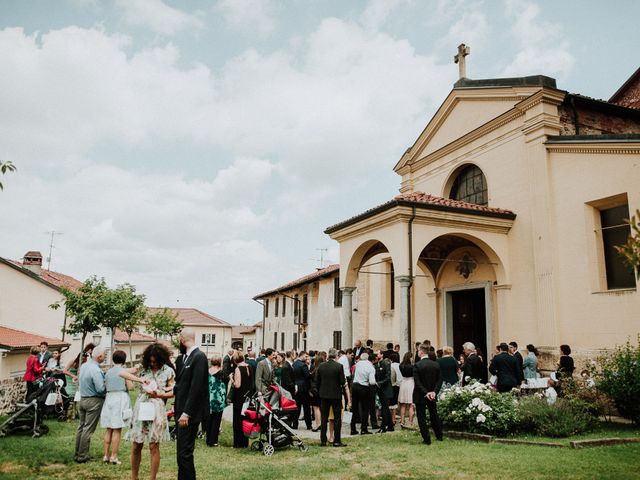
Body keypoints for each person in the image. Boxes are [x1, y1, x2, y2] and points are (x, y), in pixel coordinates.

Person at [127, 343, 174, 480]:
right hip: (141, 407)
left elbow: (173, 391)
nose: (153, 364)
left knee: (154, 445)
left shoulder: (168, 371)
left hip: (157, 409)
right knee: (137, 444)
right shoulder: (142, 368)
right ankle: (134, 477)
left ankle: (152, 478)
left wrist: (160, 394)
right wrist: (140, 379)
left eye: (156, 361)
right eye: (151, 361)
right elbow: (122, 373)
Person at [173, 329, 208, 480]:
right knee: (181, 453)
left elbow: (196, 387)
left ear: (182, 339)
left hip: (188, 414)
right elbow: (182, 385)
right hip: (181, 411)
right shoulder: (185, 358)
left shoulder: (199, 357)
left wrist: (186, 412)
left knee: (184, 453)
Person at [100, 350, 146, 465]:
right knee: (117, 429)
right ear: (124, 360)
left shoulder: (108, 372)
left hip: (109, 397)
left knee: (108, 428)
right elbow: (130, 387)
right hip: (120, 398)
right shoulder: (123, 372)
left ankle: (105, 455)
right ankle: (114, 456)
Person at [74, 346, 107, 463]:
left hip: (83, 398)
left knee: (81, 427)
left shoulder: (84, 366)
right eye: (105, 354)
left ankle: (77, 453)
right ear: (99, 356)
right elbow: (100, 389)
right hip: (93, 401)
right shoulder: (96, 370)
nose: (106, 356)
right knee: (88, 429)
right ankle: (82, 456)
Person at [313, 348, 347, 447]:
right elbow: (342, 382)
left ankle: (323, 440)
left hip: (324, 395)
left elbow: (317, 381)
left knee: (324, 418)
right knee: (337, 419)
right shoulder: (339, 366)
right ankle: (337, 440)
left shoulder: (321, 366)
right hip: (335, 395)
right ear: (336, 355)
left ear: (328, 355)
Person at [413, 343, 443, 445]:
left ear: (421, 352)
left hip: (421, 394)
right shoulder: (435, 364)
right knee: (434, 414)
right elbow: (440, 380)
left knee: (421, 417)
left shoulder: (417, 365)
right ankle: (439, 436)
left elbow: (417, 382)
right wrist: (434, 392)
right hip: (432, 394)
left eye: (418, 351)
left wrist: (426, 393)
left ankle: (426, 438)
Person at [63, 343, 95, 418]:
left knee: (77, 395)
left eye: (86, 358)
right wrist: (73, 376)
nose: (85, 359)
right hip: (69, 377)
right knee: (70, 394)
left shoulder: (84, 364)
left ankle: (75, 411)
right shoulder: (72, 361)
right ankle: (69, 410)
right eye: (84, 358)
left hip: (76, 379)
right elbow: (64, 371)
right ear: (80, 357)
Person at [350, 352, 376, 435]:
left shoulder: (358, 364)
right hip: (364, 387)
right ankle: (363, 429)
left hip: (355, 386)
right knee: (365, 409)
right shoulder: (371, 367)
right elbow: (372, 382)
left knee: (354, 408)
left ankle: (352, 428)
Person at [231, 350, 252, 448]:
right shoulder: (249, 367)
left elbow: (237, 385)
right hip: (247, 397)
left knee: (237, 421)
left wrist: (232, 379)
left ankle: (238, 443)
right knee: (245, 420)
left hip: (239, 397)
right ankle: (245, 442)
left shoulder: (238, 369)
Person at [205, 356, 226, 447]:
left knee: (209, 419)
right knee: (216, 420)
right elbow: (225, 383)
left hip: (209, 397)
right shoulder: (221, 373)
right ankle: (213, 441)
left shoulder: (207, 372)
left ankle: (208, 439)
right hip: (218, 398)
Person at [374, 350, 393, 433]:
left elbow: (388, 377)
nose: (376, 355)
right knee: (385, 408)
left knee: (385, 408)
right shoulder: (377, 364)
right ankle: (390, 425)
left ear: (381, 355)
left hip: (386, 389)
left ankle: (383, 426)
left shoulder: (386, 364)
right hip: (380, 389)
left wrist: (379, 383)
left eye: (377, 353)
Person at [292, 351, 312, 430]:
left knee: (297, 407)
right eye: (306, 356)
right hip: (304, 388)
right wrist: (311, 374)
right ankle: (308, 425)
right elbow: (307, 376)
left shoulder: (294, 364)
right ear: (302, 356)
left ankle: (295, 424)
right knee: (306, 407)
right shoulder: (303, 365)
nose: (306, 358)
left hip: (296, 387)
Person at [310, 351, 326, 431]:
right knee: (322, 408)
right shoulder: (323, 370)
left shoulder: (314, 371)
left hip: (315, 392)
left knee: (316, 408)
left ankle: (318, 424)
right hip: (322, 391)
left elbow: (312, 382)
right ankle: (322, 423)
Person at [397, 352, 415, 428]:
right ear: (410, 357)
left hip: (403, 383)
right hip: (411, 382)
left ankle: (402, 421)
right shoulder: (412, 366)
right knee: (411, 404)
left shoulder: (401, 366)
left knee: (403, 404)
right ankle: (410, 422)